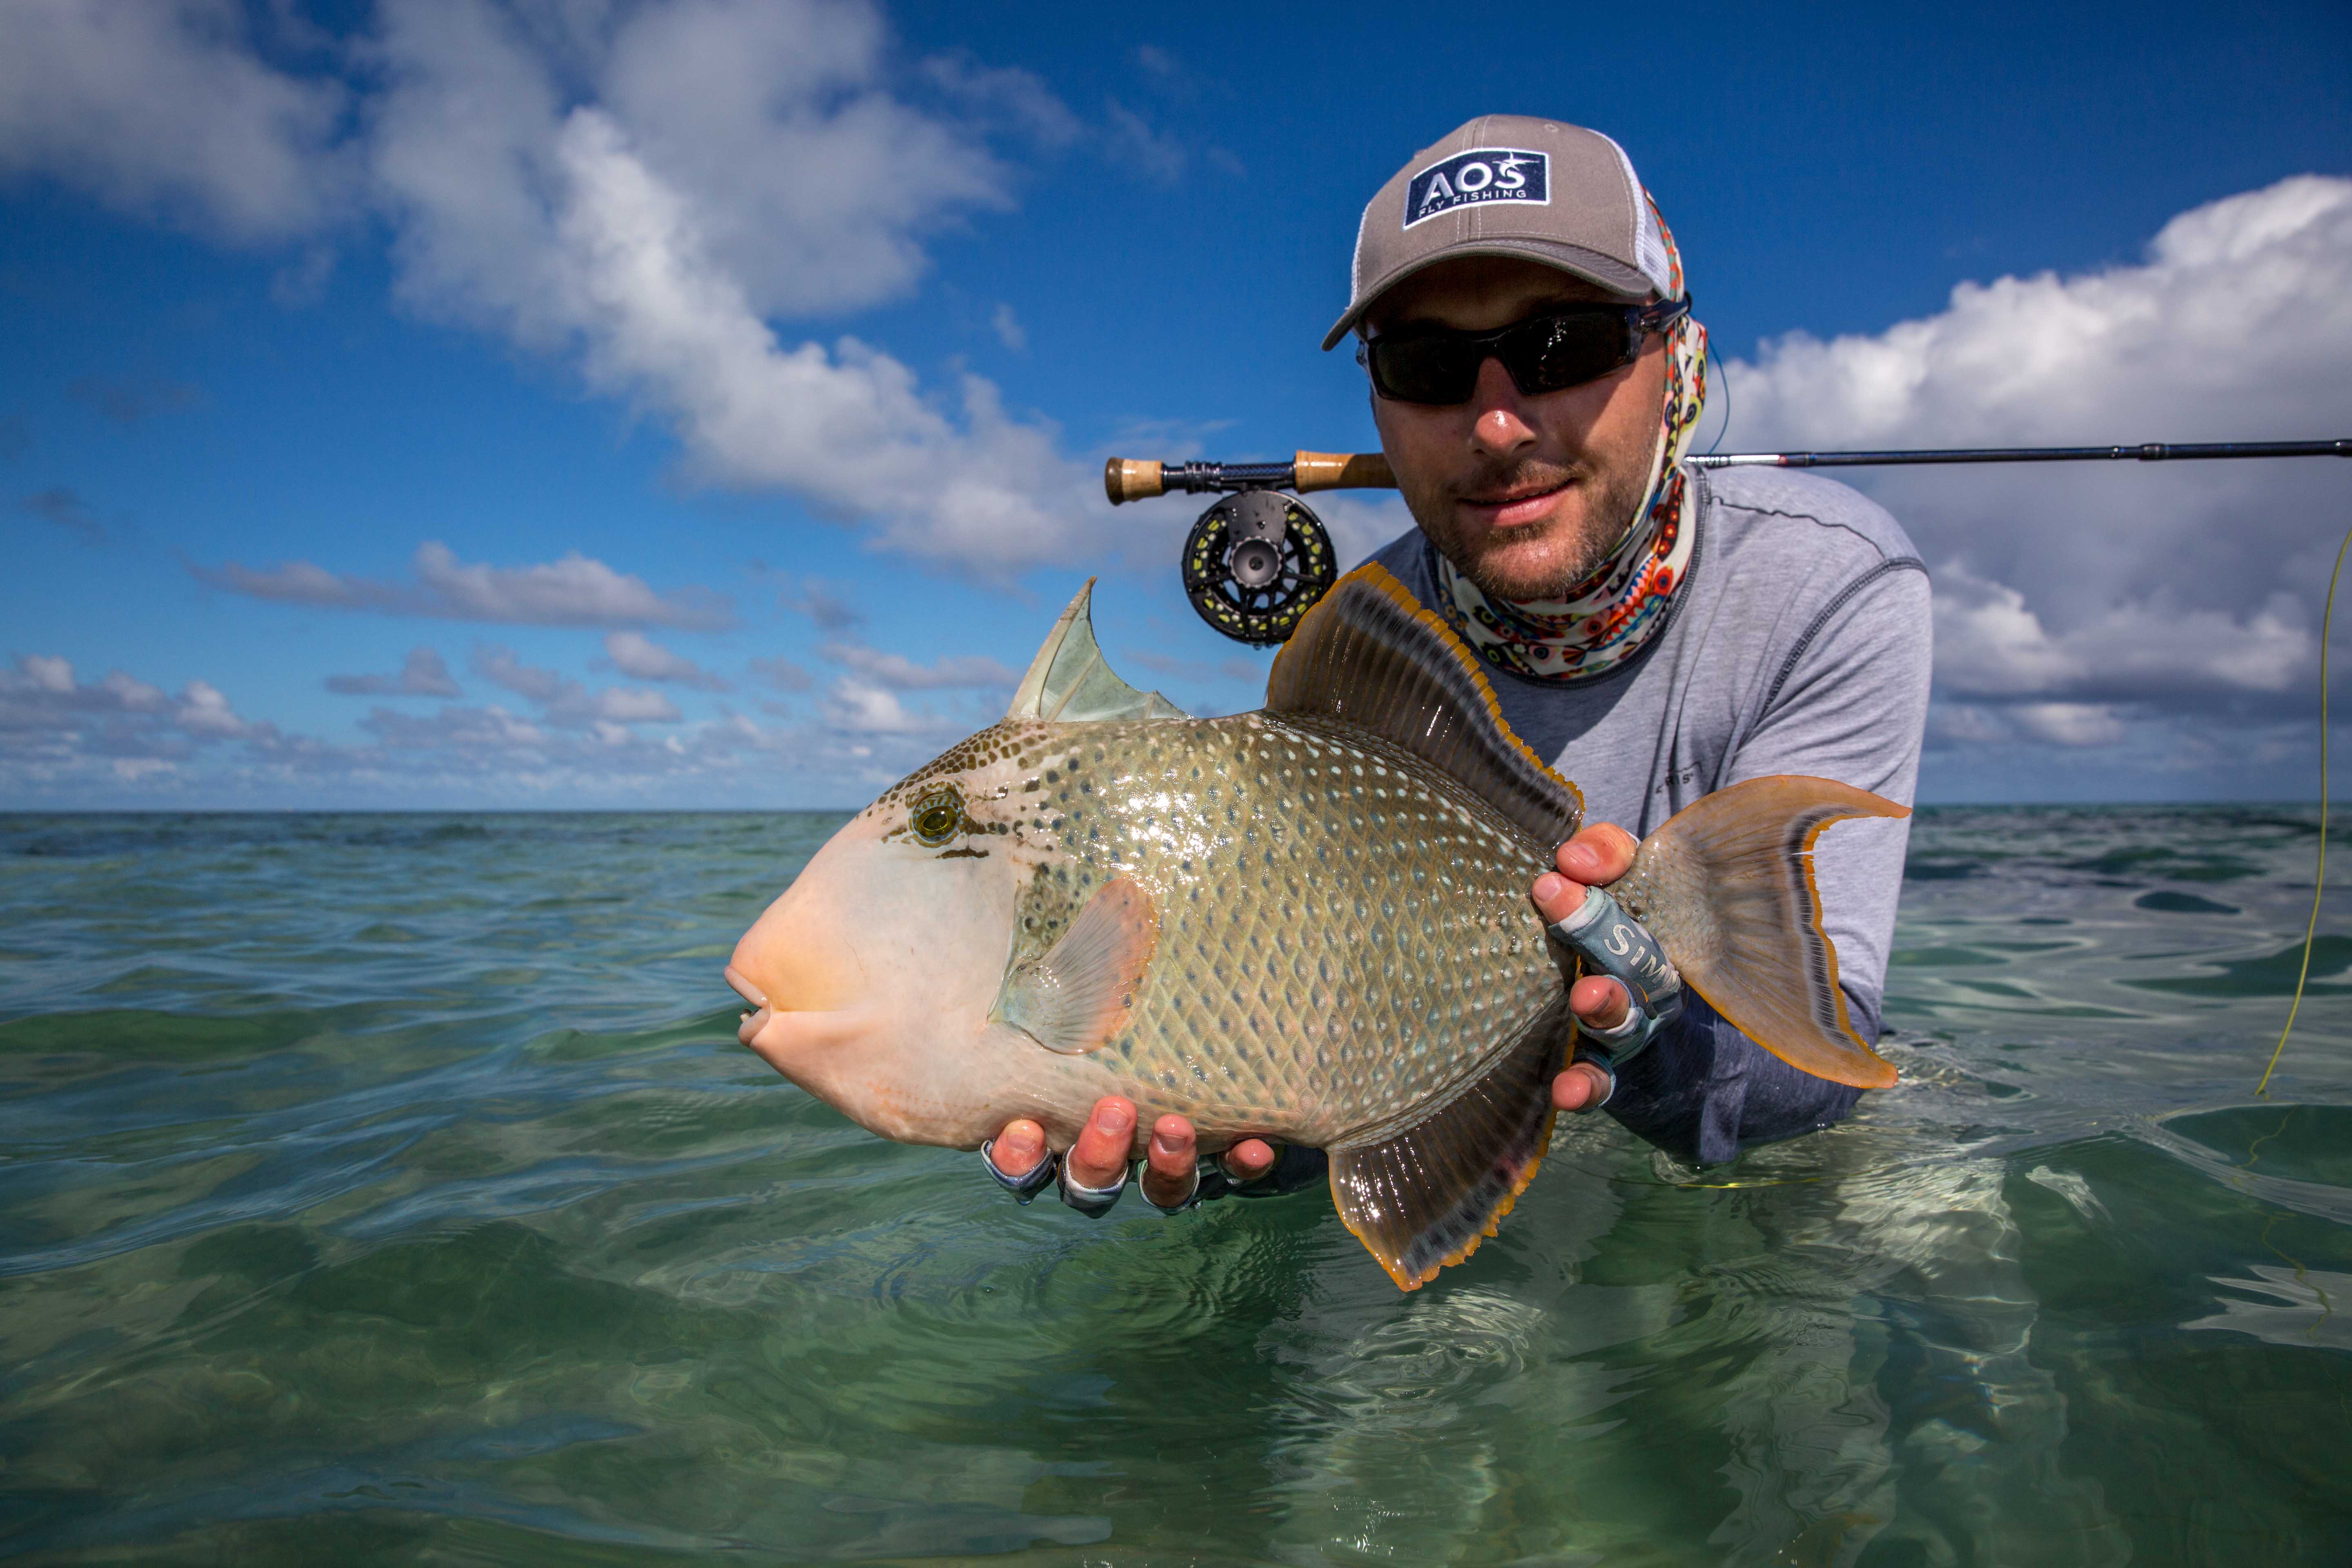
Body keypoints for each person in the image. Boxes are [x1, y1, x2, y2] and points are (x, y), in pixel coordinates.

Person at [983, 114, 1930, 1216]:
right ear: (1378, 398)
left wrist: (1650, 1052)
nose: (1494, 422)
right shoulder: (1356, 636)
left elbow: (1819, 1077)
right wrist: (1265, 1119)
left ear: (1678, 356)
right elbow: (1323, 1000)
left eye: (1563, 345)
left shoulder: (1832, 580)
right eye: (1427, 364)